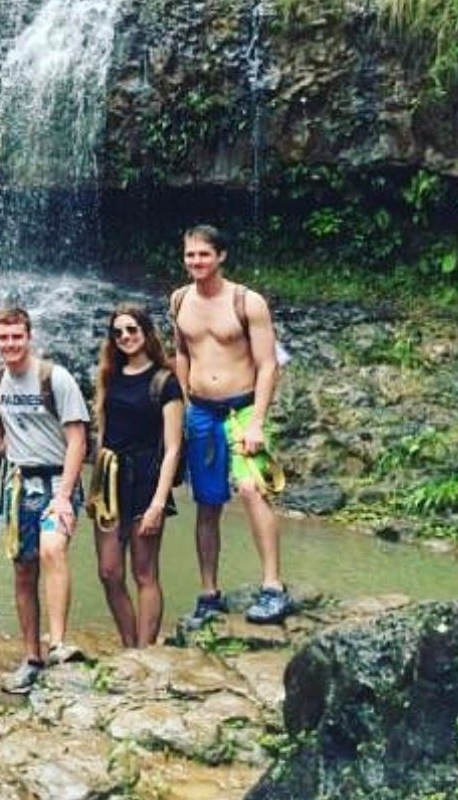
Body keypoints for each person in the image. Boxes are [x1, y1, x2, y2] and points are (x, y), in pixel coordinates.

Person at [170, 223, 291, 625]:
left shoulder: (246, 301)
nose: (196, 262)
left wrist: (257, 421)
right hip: (202, 411)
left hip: (241, 410)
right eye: (190, 255)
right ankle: (209, 593)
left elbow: (268, 363)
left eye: (203, 254)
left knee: (252, 488)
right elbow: (181, 352)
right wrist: (187, 401)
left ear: (220, 256)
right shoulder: (179, 300)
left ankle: (273, 586)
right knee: (207, 503)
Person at [0, 306, 89, 695]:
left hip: (55, 481)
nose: (10, 344)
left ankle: (58, 643)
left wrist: (64, 496)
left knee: (51, 550)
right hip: (17, 485)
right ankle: (31, 657)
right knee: (23, 570)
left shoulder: (54, 378)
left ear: (29, 337)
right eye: (4, 338)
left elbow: (78, 439)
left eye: (17, 337)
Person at [90, 304, 184, 648]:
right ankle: (130, 646)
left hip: (146, 478)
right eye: (118, 332)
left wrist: (159, 503)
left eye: (131, 330)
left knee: (144, 572)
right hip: (111, 481)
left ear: (145, 332)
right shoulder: (110, 376)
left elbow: (173, 447)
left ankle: (144, 653)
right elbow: (103, 432)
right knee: (108, 572)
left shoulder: (165, 381)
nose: (125, 337)